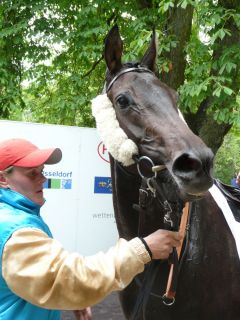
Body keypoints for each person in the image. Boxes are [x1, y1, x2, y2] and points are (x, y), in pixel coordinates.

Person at [0, 138, 182, 320]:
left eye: (42, 171)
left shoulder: (14, 216)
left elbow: (40, 282)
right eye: (32, 173)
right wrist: (143, 250)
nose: (43, 178)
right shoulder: (14, 230)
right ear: (3, 179)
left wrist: (69, 299)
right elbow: (65, 280)